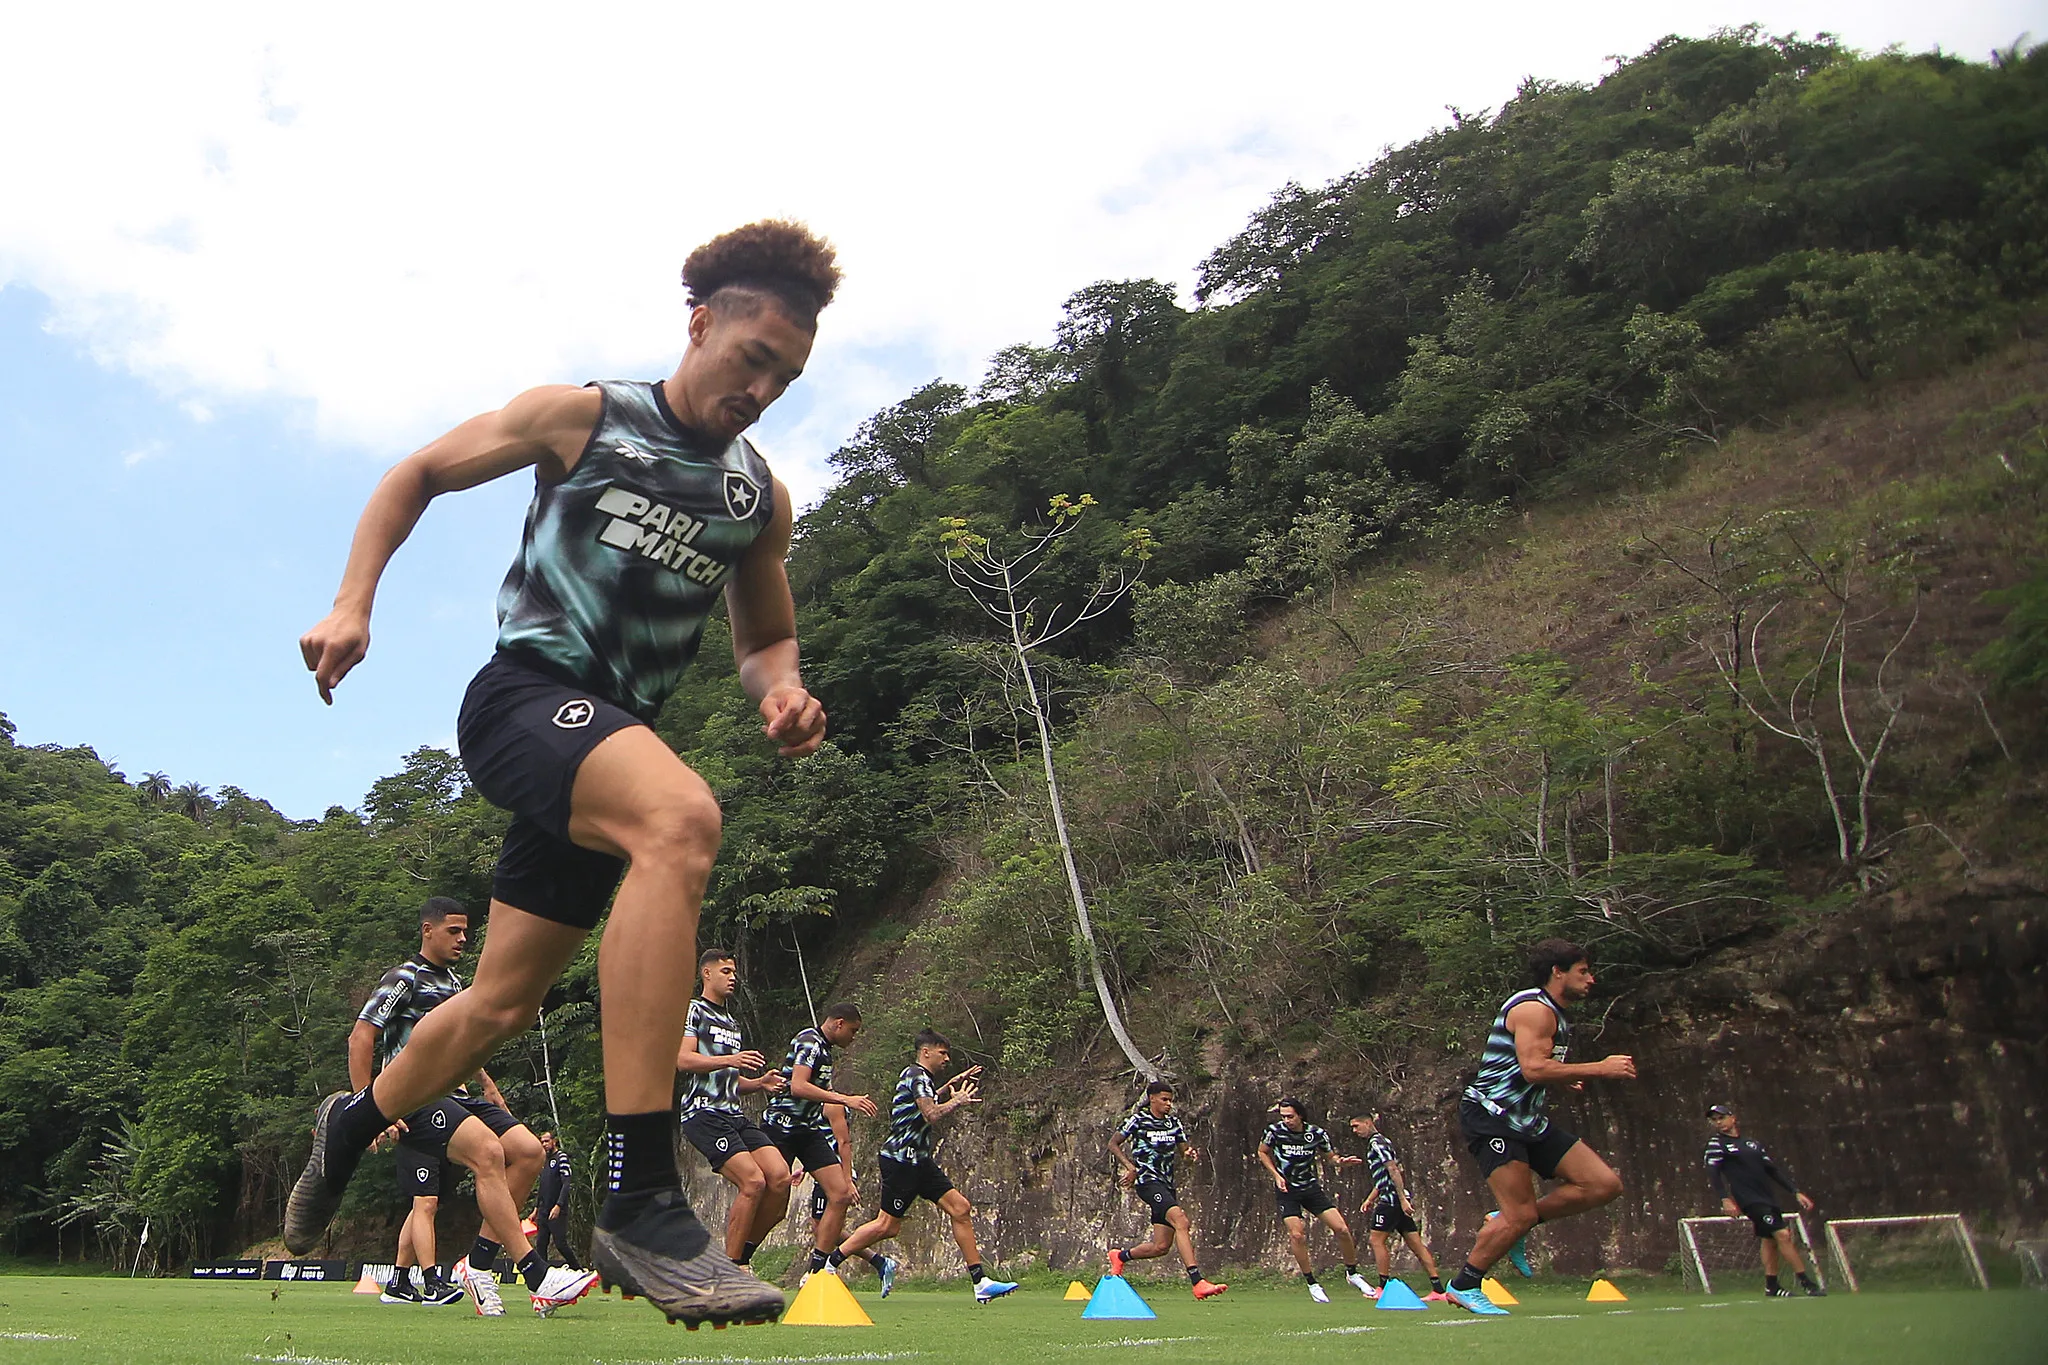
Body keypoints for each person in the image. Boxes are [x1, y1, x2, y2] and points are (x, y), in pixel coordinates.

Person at [285, 220, 839, 1328]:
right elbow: (419, 473)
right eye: (750, 360)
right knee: (680, 818)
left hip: (603, 746)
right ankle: (640, 1197)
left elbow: (762, 637)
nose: (762, 390)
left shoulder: (752, 500)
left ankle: (352, 1122)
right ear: (699, 325)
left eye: (785, 375)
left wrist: (779, 688)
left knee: (497, 1001)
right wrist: (354, 601)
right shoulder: (582, 418)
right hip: (523, 703)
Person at [350, 897, 598, 1316]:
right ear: (428, 930)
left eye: (466, 932)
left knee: (528, 1152)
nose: (463, 939)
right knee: (488, 1153)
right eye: (454, 931)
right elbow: (361, 1038)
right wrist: (369, 1111)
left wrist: (488, 1084)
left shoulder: (456, 984)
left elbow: (465, 1043)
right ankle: (537, 1276)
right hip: (416, 1095)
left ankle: (478, 1265)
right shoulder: (403, 979)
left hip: (460, 1093)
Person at [1443, 938, 1634, 1316]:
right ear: (1557, 972)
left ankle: (1513, 1223)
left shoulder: (1556, 1013)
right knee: (1520, 1213)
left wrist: (1562, 1077)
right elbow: (1533, 1067)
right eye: (1583, 971)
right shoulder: (1535, 1009)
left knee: (1603, 1185)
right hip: (1493, 1117)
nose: (1591, 979)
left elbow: (1531, 1068)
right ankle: (1464, 1284)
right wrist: (1600, 1067)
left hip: (1527, 1120)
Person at [827, 1030, 1018, 1304]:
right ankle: (829, 1265)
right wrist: (957, 1100)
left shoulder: (922, 1080)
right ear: (926, 1052)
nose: (947, 1059)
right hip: (901, 1161)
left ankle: (980, 1283)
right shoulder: (916, 1075)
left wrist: (949, 1085)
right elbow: (930, 1113)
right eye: (943, 1053)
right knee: (885, 1226)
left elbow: (923, 1104)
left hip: (919, 1161)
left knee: (960, 1208)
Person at [676, 949, 792, 1266]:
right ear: (707, 973)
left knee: (780, 1178)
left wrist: (757, 1083)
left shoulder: (731, 1023)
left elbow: (727, 1078)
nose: (732, 978)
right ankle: (731, 1270)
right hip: (703, 1113)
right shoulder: (694, 1011)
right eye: (726, 971)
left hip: (732, 1113)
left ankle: (743, 1257)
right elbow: (684, 1060)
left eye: (734, 972)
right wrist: (730, 1059)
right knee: (753, 1182)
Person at [760, 1003, 880, 1282]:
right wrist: (844, 1099)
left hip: (807, 1131)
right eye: (853, 1031)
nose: (854, 1037)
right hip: (781, 1128)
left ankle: (817, 1270)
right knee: (774, 1207)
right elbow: (798, 1086)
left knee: (840, 1193)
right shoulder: (810, 1042)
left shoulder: (825, 1051)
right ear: (839, 1023)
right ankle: (737, 1260)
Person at [1107, 1081, 1226, 1299]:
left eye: (1170, 1100)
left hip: (1167, 1184)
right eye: (1164, 1099)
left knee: (1161, 1246)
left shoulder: (1173, 1124)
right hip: (1148, 1182)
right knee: (1181, 1220)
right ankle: (1197, 1281)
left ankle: (1120, 1256)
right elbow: (1113, 1143)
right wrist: (1130, 1167)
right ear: (1152, 1098)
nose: (1168, 1104)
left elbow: (1184, 1154)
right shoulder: (1139, 1120)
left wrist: (1190, 1156)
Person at [1704, 1104, 1823, 1297]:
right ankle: (1807, 1283)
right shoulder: (1717, 1144)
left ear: (1733, 1118)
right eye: (1715, 1120)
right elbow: (1713, 1173)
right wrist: (1725, 1199)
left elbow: (1772, 1169)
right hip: (1749, 1200)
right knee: (1782, 1235)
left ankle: (1772, 1286)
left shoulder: (1752, 1144)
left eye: (1722, 1117)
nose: (1719, 1122)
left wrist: (1795, 1192)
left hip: (1767, 1198)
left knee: (1769, 1240)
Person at [1258, 1100, 1371, 1302]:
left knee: (1342, 1229)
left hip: (1310, 1188)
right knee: (1297, 1235)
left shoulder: (1316, 1133)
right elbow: (1262, 1152)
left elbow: (1331, 1157)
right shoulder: (1275, 1131)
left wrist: (1341, 1162)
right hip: (1287, 1190)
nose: (1286, 1120)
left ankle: (1352, 1273)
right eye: (1283, 1116)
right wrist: (1276, 1175)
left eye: (1290, 1116)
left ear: (1300, 1115)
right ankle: (1312, 1283)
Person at [1347, 1114, 1446, 1301]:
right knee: (1416, 1244)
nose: (1355, 1131)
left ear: (1368, 1123)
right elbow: (1384, 1176)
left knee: (1376, 1240)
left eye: (1356, 1126)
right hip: (1394, 1198)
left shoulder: (1377, 1143)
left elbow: (1393, 1169)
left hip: (1391, 1201)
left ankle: (1382, 1287)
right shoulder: (1383, 1141)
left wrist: (1401, 1199)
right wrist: (1369, 1199)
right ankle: (1438, 1289)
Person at [382, 1156, 465, 1306]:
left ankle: (398, 1282)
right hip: (418, 1140)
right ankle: (431, 1284)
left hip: (439, 1141)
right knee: (426, 1203)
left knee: (423, 1206)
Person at [532, 1131, 581, 1270]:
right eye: (542, 1142)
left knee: (560, 1243)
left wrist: (558, 1205)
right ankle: (543, 1276)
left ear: (554, 1141)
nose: (544, 1144)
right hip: (543, 1209)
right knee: (541, 1243)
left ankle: (578, 1269)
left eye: (547, 1141)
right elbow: (542, 1187)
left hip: (556, 1208)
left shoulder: (561, 1158)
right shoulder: (544, 1161)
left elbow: (566, 1183)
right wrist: (536, 1208)